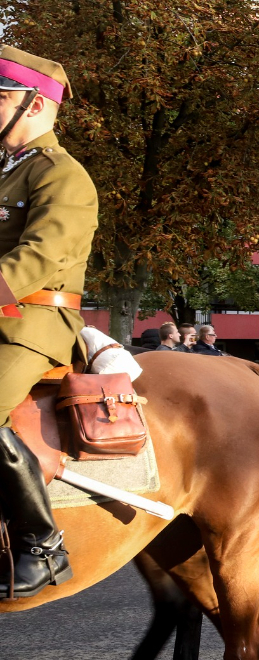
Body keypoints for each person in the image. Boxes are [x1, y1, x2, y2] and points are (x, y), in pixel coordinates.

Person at [0, 46, 92, 598]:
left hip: (32, 323)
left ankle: (43, 544)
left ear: (33, 104)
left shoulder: (62, 175)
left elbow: (39, 254)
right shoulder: (6, 173)